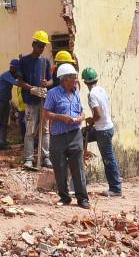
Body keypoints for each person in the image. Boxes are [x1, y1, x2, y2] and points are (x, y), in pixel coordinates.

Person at [42, 64, 89, 208]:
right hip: (58, 137)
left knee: (78, 167)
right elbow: (46, 113)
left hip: (75, 135)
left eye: (75, 78)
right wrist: (61, 117)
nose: (75, 81)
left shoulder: (76, 93)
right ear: (63, 80)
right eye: (72, 78)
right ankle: (64, 197)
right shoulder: (53, 94)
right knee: (60, 167)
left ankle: (82, 198)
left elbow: (82, 111)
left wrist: (81, 118)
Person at [82, 67, 122, 197]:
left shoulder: (92, 94)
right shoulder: (101, 90)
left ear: (84, 82)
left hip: (102, 130)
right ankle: (81, 166)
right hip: (106, 127)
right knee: (81, 134)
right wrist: (92, 123)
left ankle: (115, 188)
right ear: (96, 79)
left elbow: (98, 114)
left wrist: (92, 120)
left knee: (108, 159)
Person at [19, 30, 52, 169]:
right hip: (31, 102)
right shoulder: (24, 61)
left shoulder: (45, 62)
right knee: (30, 131)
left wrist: (46, 85)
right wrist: (31, 88)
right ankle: (29, 159)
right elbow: (20, 81)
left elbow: (51, 81)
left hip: (44, 102)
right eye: (39, 45)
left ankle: (46, 157)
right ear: (33, 44)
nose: (41, 48)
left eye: (43, 46)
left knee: (45, 130)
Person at [0, 59, 25, 150]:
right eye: (16, 69)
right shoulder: (6, 75)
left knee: (4, 123)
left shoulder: (11, 75)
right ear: (12, 68)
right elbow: (17, 83)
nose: (16, 71)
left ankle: (3, 142)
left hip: (6, 101)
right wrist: (20, 77)